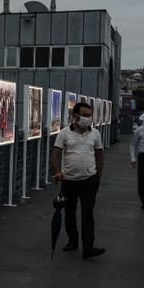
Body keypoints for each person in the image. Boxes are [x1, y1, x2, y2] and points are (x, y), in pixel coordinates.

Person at [51, 102, 105, 259]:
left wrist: (97, 178)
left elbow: (99, 156)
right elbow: (55, 155)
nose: (88, 118)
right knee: (69, 212)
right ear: (75, 116)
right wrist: (57, 172)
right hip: (69, 180)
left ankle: (88, 248)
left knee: (88, 213)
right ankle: (72, 241)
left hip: (89, 180)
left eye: (89, 115)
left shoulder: (95, 134)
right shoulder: (64, 133)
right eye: (84, 115)